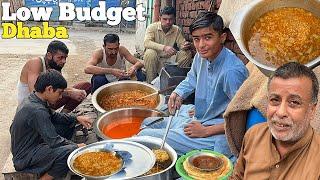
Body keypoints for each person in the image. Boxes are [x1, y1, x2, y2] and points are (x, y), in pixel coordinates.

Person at [138, 12, 248, 158]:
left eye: (208, 38)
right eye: (196, 39)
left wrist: (205, 131)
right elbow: (191, 79)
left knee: (145, 135)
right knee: (148, 121)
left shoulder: (231, 71)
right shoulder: (201, 56)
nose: (201, 45)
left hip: (215, 132)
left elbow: (242, 119)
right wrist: (178, 93)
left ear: (222, 37)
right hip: (199, 116)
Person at [230, 62, 320, 179]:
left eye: (294, 102)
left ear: (312, 110)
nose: (281, 112)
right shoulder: (254, 135)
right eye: (275, 100)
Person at [10, 70, 93, 180]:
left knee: (68, 124)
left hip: (33, 144)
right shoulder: (37, 110)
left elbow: (55, 117)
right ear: (49, 89)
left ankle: (55, 159)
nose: (60, 97)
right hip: (24, 158)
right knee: (68, 152)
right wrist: (76, 147)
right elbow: (54, 141)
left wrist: (76, 118)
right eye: (59, 93)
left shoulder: (35, 99)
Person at [17, 40, 91, 113]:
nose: (64, 61)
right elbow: (35, 93)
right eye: (60, 57)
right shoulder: (35, 63)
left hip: (48, 101)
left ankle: (63, 115)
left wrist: (73, 92)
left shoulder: (55, 66)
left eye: (65, 58)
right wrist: (70, 93)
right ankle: (56, 118)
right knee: (71, 93)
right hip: (32, 107)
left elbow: (59, 88)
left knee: (85, 87)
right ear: (49, 55)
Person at [143, 6, 193, 83]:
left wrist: (185, 45)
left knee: (186, 54)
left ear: (174, 19)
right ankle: (151, 83)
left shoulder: (176, 29)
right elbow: (146, 42)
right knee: (150, 53)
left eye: (170, 19)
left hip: (170, 59)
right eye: (165, 19)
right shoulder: (152, 27)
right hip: (156, 58)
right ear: (160, 18)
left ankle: (174, 79)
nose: (168, 22)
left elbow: (181, 45)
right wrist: (164, 47)